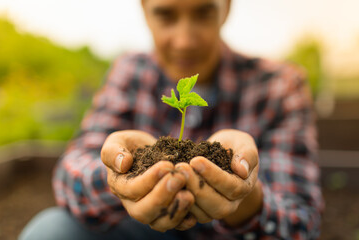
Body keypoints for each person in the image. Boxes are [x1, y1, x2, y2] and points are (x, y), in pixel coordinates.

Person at [19, 0, 324, 239]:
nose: (184, 41)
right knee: (51, 231)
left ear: (226, 7)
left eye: (204, 13)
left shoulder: (279, 85)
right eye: (166, 15)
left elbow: (301, 224)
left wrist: (245, 198)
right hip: (143, 233)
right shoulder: (130, 73)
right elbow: (69, 173)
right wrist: (118, 175)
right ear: (145, 10)